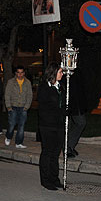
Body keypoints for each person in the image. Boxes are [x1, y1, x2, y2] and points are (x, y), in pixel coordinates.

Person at [37, 63, 65, 191]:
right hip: (47, 125)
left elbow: (63, 104)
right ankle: (46, 180)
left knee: (55, 153)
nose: (62, 74)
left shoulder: (62, 87)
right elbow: (47, 106)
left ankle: (55, 178)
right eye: (60, 72)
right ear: (53, 73)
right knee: (47, 152)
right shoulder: (44, 88)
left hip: (59, 125)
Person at [4, 65, 33, 149]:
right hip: (13, 106)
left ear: (24, 73)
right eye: (18, 73)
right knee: (12, 124)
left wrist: (27, 106)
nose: (20, 74)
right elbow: (7, 94)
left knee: (21, 125)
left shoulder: (27, 82)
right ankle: (8, 137)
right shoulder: (11, 82)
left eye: (21, 73)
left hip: (23, 107)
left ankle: (19, 142)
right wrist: (8, 106)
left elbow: (29, 95)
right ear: (16, 73)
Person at [66, 68, 88, 157]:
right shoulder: (67, 73)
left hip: (77, 104)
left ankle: (69, 146)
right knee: (80, 123)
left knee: (77, 124)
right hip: (73, 105)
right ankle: (68, 147)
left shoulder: (77, 72)